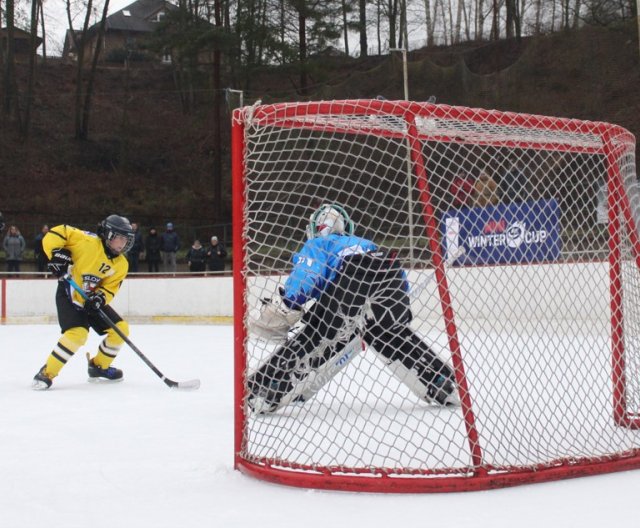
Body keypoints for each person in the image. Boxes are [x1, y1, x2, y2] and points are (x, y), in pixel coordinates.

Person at [247, 204, 459, 414]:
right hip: (391, 278)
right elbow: (398, 278)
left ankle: (266, 386)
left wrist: (289, 302)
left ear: (315, 228)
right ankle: (441, 381)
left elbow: (307, 275)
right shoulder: (365, 243)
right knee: (390, 334)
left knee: (318, 332)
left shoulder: (320, 243)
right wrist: (398, 311)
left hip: (352, 279)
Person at [31, 215, 135, 390]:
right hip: (69, 294)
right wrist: (55, 254)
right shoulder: (86, 241)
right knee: (77, 334)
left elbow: (110, 288)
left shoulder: (121, 264)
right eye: (119, 238)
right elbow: (57, 232)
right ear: (107, 234)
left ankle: (99, 366)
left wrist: (100, 297)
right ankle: (47, 372)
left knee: (120, 330)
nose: (122, 244)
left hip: (91, 300)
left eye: (126, 240)